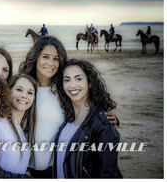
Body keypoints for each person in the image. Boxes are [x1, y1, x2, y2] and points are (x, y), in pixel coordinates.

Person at [18, 36, 119, 178]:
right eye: (45, 57)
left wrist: (108, 118)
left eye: (56, 58)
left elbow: (85, 112)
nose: (51, 63)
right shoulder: (24, 87)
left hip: (57, 168)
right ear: (36, 58)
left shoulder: (64, 90)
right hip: (25, 168)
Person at [54, 59, 122, 178]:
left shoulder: (103, 125)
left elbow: (107, 175)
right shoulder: (68, 118)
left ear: (89, 83)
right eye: (67, 80)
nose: (72, 85)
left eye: (78, 78)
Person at [0, 73, 37, 174]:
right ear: (8, 92)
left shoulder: (20, 129)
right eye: (19, 89)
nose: (24, 96)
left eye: (30, 93)